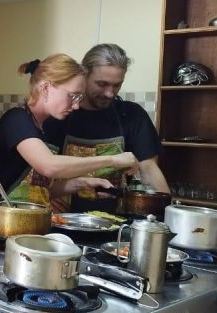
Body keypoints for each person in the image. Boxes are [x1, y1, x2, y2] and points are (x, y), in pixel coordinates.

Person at [0, 54, 138, 207]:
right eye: (73, 96)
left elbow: (40, 191)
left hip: (33, 225)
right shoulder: (16, 120)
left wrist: (80, 183)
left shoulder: (43, 127)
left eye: (79, 98)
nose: (76, 106)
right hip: (6, 226)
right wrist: (112, 160)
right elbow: (49, 166)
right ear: (46, 88)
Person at [44, 43, 170, 212]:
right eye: (102, 84)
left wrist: (169, 214)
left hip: (113, 219)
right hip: (60, 220)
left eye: (117, 85)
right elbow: (43, 174)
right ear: (84, 75)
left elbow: (149, 169)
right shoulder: (59, 115)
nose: (110, 93)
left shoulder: (132, 115)